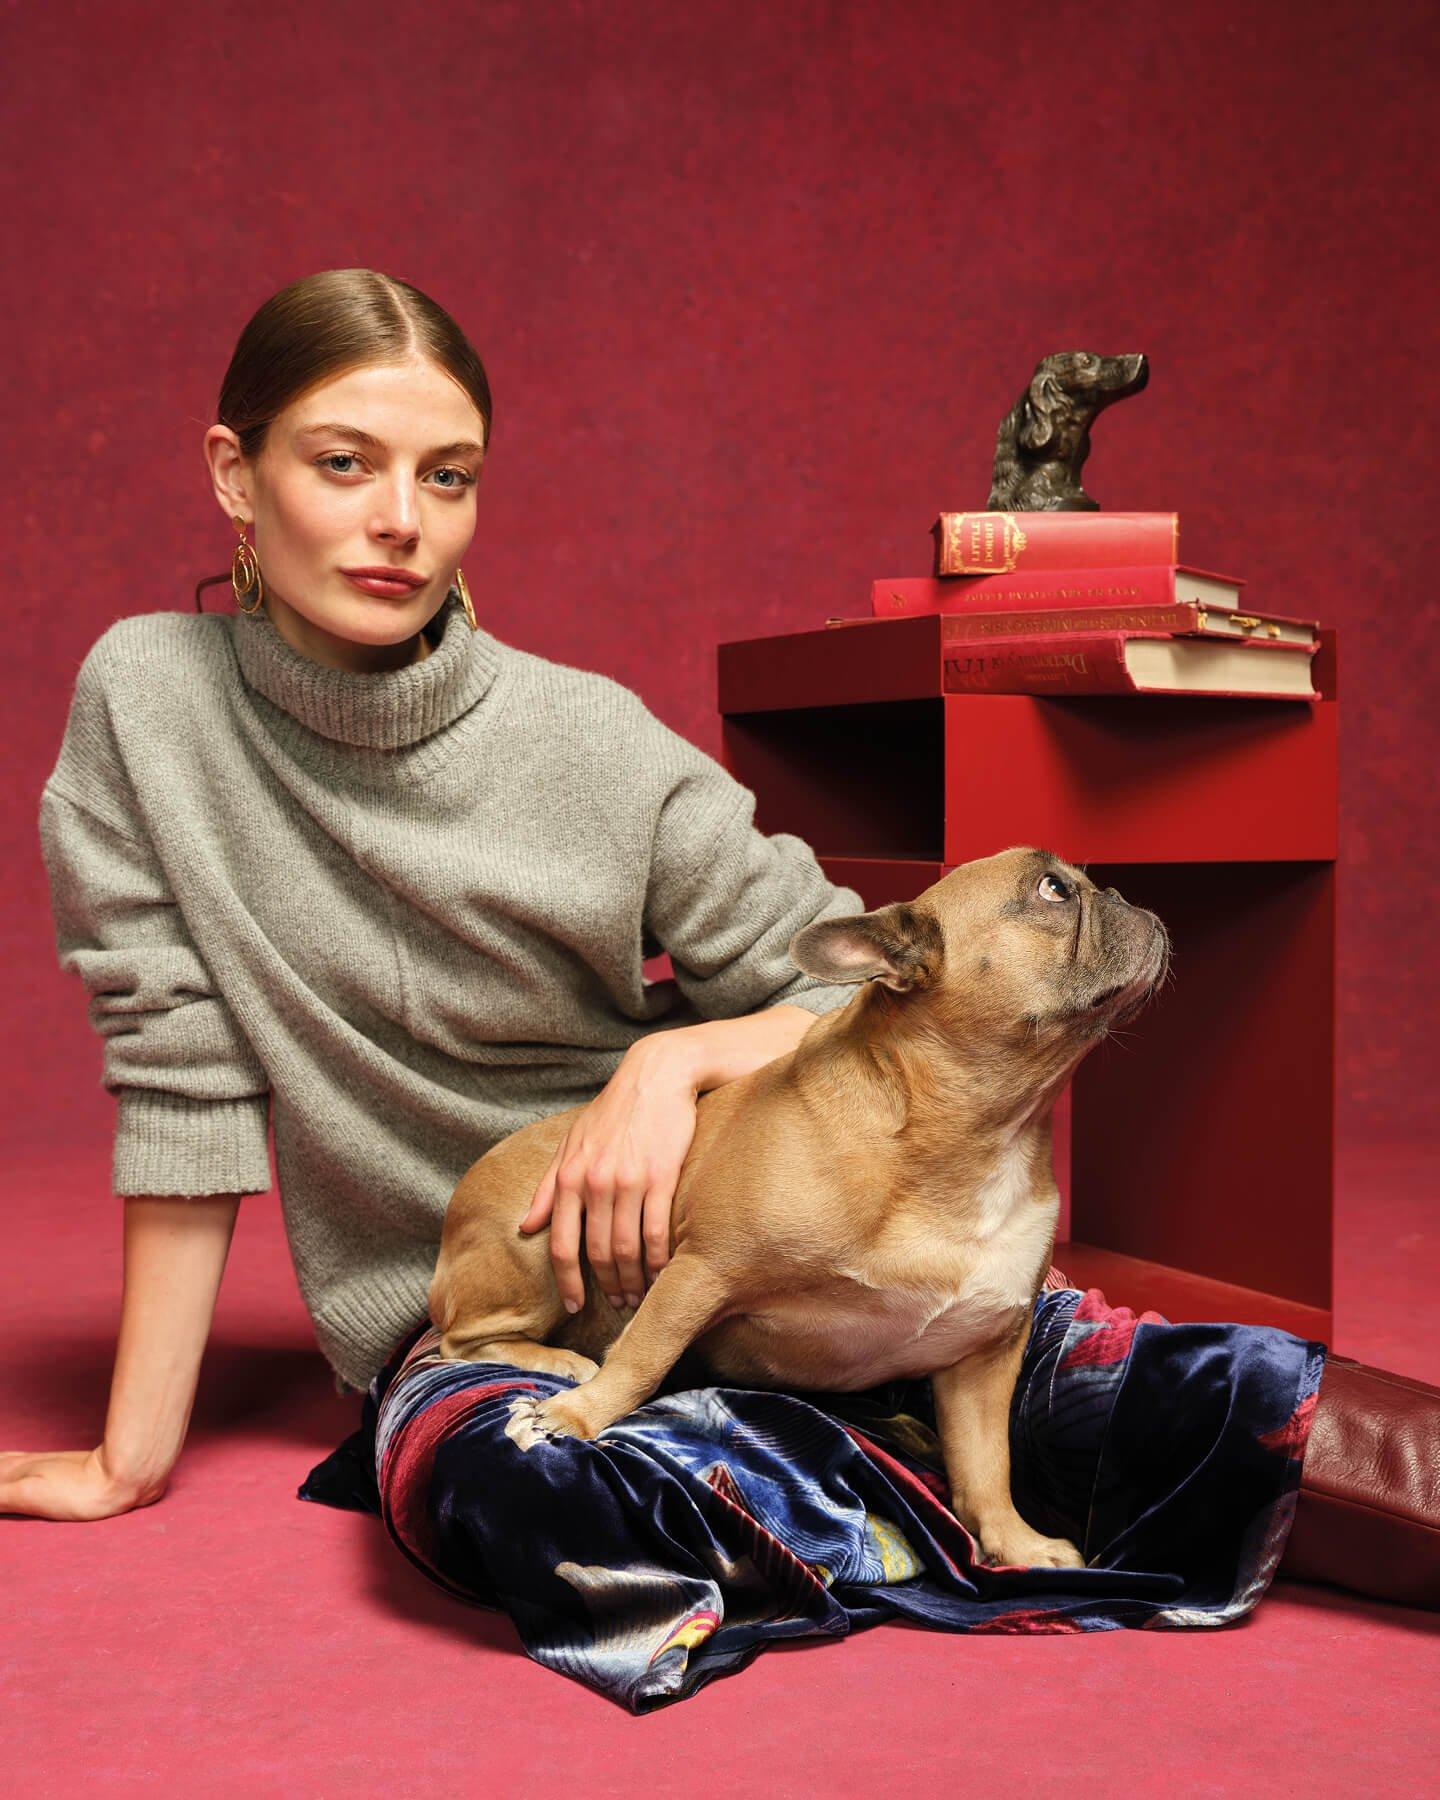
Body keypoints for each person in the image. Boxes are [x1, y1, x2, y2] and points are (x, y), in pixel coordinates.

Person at [2, 270, 1434, 1645]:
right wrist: (132, 1455)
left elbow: (846, 971)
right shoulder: (148, 703)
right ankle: (894, 1473)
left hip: (815, 1246)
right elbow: (179, 1077)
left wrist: (669, 1059)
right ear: (233, 475)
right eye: (342, 464)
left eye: (448, 476)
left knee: (1216, 1393)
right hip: (496, 1325)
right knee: (541, 1504)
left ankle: (899, 1450)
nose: (402, 523)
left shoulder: (592, 741)